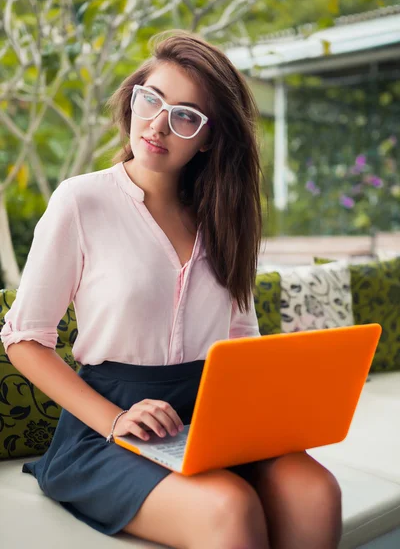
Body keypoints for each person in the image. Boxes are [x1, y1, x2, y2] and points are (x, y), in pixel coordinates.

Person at [1, 30, 342, 549]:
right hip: (111, 425)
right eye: (150, 99)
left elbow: (240, 339)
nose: (158, 124)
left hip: (212, 416)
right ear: (133, 98)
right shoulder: (80, 201)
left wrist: (276, 412)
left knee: (316, 490)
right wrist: (115, 419)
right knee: (229, 507)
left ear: (208, 138)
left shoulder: (229, 218)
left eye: (185, 115)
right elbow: (24, 340)